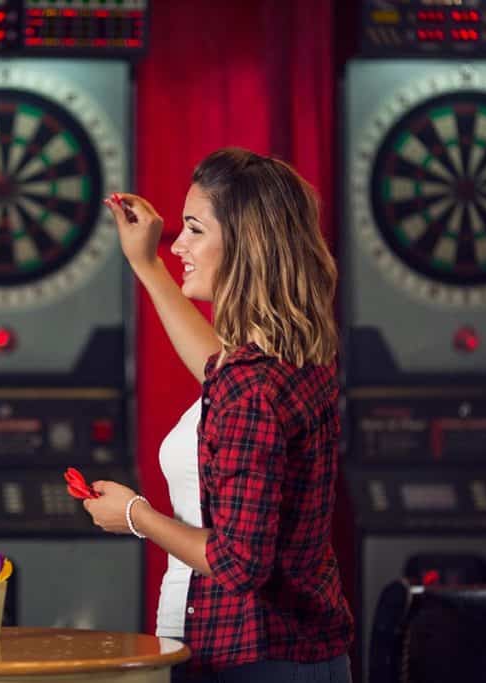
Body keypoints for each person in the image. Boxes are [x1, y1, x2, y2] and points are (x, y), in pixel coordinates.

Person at [85, 148, 353, 682]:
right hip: (287, 655)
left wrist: (136, 515)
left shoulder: (251, 385)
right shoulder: (281, 362)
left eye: (194, 230)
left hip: (254, 661)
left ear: (247, 244)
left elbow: (239, 563)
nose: (179, 244)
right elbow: (218, 369)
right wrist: (146, 263)